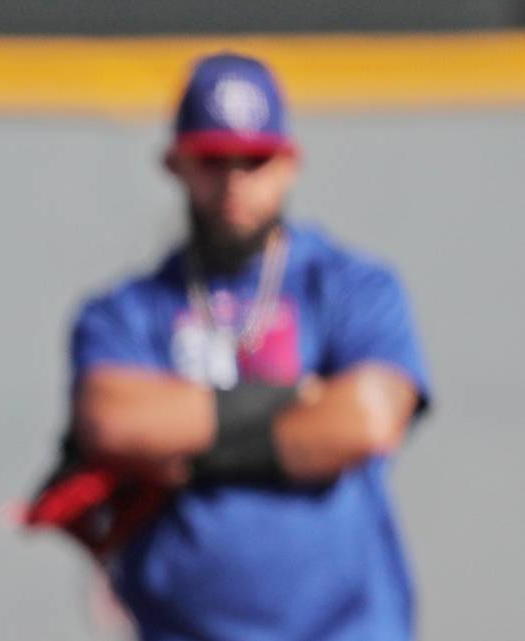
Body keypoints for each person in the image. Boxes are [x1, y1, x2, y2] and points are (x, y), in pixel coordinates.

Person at [31, 53, 430, 641]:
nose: (235, 181)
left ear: (289, 164)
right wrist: (299, 402)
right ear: (177, 164)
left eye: (255, 159)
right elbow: (111, 420)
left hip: (348, 627)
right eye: (214, 160)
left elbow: (368, 420)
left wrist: (187, 444)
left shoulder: (351, 286)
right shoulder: (126, 310)